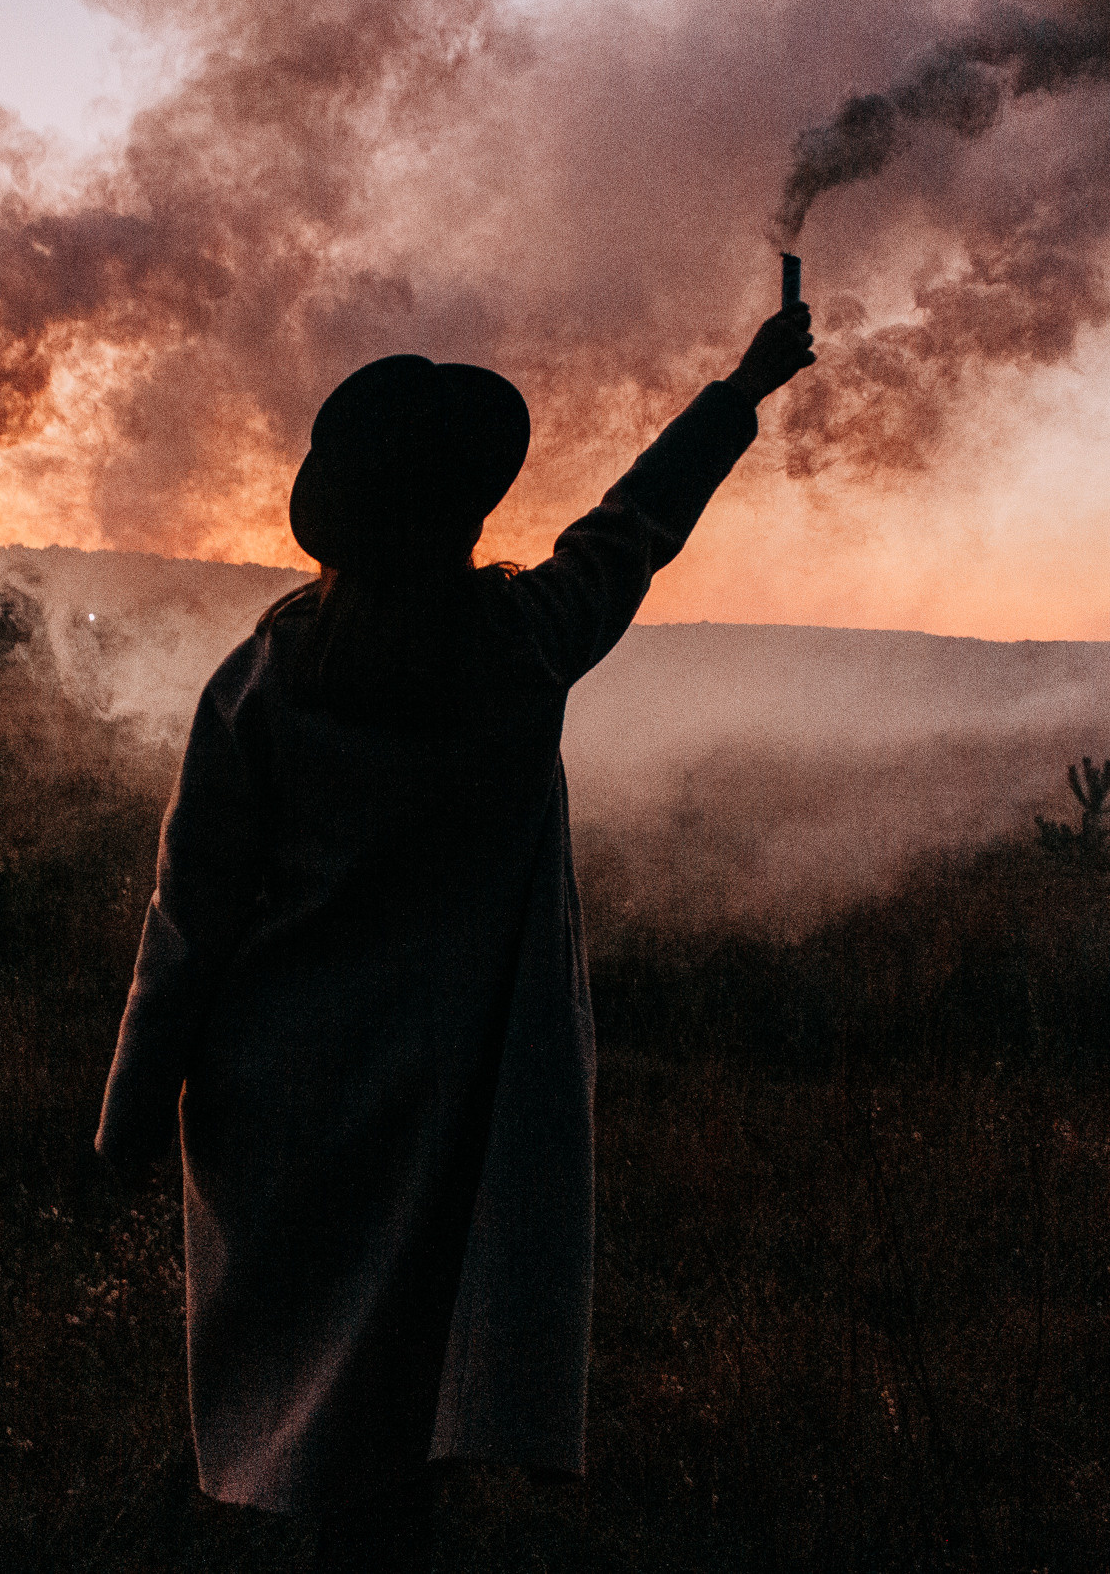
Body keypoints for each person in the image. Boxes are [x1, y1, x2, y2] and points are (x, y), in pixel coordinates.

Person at [95, 296, 818, 1569]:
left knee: (315, 1397)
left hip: (283, 1094)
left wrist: (131, 1117)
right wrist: (742, 388)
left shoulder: (261, 679)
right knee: (402, 1404)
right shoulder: (525, 644)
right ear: (462, 514)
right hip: (450, 1104)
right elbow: (635, 524)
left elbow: (189, 919)